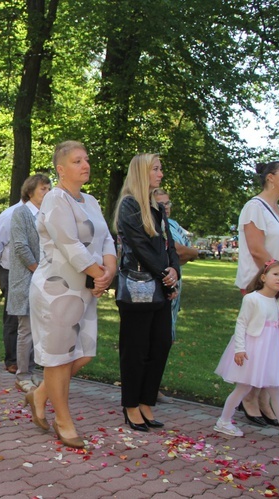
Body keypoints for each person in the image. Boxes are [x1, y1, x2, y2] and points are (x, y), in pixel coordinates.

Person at [26, 142, 116, 448]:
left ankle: (39, 394)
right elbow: (69, 244)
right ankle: (62, 421)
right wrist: (99, 274)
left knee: (84, 354)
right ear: (61, 170)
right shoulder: (54, 199)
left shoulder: (90, 200)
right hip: (57, 290)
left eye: (86, 159)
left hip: (86, 291)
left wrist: (109, 270)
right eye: (77, 161)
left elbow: (106, 239)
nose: (85, 165)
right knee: (59, 360)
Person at [112, 153, 180, 432]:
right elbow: (140, 247)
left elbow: (168, 244)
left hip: (161, 287)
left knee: (161, 343)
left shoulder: (157, 207)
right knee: (136, 349)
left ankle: (146, 401)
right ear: (141, 172)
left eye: (160, 168)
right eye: (155, 169)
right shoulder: (129, 205)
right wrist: (166, 274)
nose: (160, 174)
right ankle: (131, 405)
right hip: (139, 287)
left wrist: (174, 269)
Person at [234, 161, 279, 428]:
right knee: (258, 342)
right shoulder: (254, 208)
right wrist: (277, 280)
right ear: (270, 178)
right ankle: (248, 398)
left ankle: (262, 398)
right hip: (261, 289)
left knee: (278, 341)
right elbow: (257, 249)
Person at [213, 260, 279, 442]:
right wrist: (239, 349)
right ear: (263, 277)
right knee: (244, 386)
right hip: (253, 348)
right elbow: (241, 323)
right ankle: (223, 421)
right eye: (276, 274)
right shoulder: (252, 299)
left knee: (276, 388)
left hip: (271, 350)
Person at [152, 189, 199, 404]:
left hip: (176, 284)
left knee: (168, 336)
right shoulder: (155, 223)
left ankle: (154, 384)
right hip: (160, 285)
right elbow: (178, 252)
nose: (166, 206)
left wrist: (183, 253)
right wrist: (181, 253)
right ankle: (148, 386)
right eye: (161, 203)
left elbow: (189, 252)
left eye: (168, 202)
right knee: (157, 337)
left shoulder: (174, 225)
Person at [6, 174, 51, 392]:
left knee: (39, 329)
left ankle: (31, 371)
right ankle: (22, 374)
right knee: (26, 329)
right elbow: (21, 246)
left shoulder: (49, 215)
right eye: (43, 188)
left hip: (45, 279)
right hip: (26, 279)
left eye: (49, 188)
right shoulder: (21, 213)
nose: (48, 192)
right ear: (30, 191)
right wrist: (39, 270)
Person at [0, 200, 23, 374]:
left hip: (36, 271)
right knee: (13, 316)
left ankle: (27, 358)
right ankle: (12, 360)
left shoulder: (45, 212)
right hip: (11, 270)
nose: (47, 193)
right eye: (43, 189)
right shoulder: (10, 214)